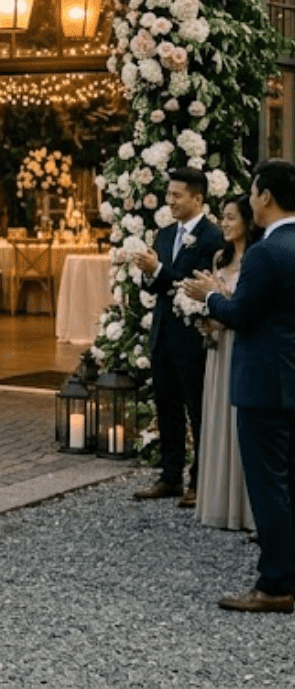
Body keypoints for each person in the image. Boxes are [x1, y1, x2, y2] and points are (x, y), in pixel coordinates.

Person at [184, 159, 295, 613]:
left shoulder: (266, 253)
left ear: (265, 196)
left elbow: (239, 315)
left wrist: (209, 295)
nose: (249, 199)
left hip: (264, 384)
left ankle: (274, 585)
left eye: (252, 191)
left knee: (268, 486)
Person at [128, 167, 225, 506]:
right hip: (163, 331)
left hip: (192, 336)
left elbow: (191, 283)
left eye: (176, 195)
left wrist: (158, 270)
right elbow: (156, 286)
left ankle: (199, 481)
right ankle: (170, 476)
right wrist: (148, 271)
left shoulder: (212, 238)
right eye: (168, 195)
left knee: (197, 408)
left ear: (198, 198)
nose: (170, 201)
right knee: (166, 405)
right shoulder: (166, 234)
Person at [195, 195, 261, 532]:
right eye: (222, 216)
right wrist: (206, 315)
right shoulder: (219, 258)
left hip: (242, 346)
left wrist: (222, 304)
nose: (225, 222)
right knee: (218, 416)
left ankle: (244, 508)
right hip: (218, 348)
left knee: (240, 422)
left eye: (231, 217)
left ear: (248, 221)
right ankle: (218, 500)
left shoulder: (257, 259)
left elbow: (247, 308)